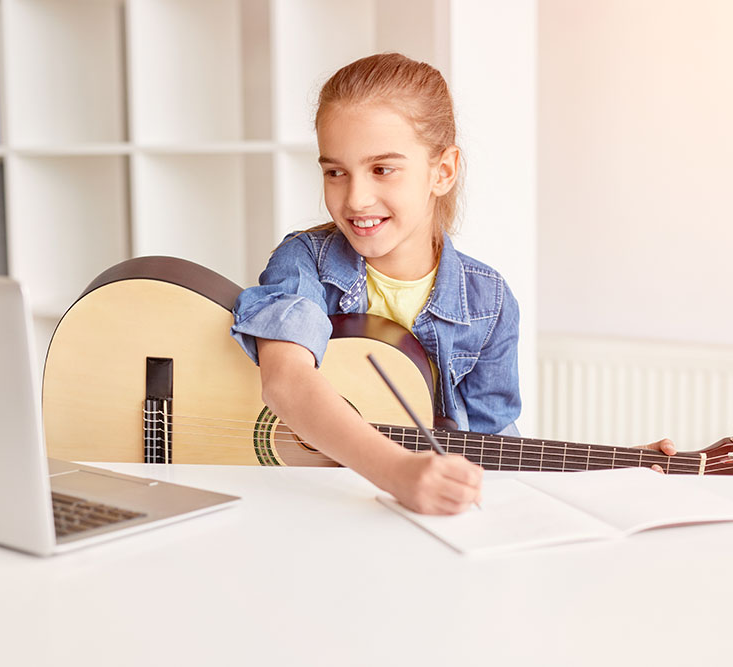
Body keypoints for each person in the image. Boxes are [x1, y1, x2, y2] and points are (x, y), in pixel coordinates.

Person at [230, 53, 674, 515]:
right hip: (304, 508)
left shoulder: (489, 303)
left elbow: (495, 452)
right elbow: (285, 381)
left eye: (382, 169)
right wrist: (396, 471)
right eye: (335, 172)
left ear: (442, 171)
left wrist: (613, 468)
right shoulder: (303, 261)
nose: (356, 198)